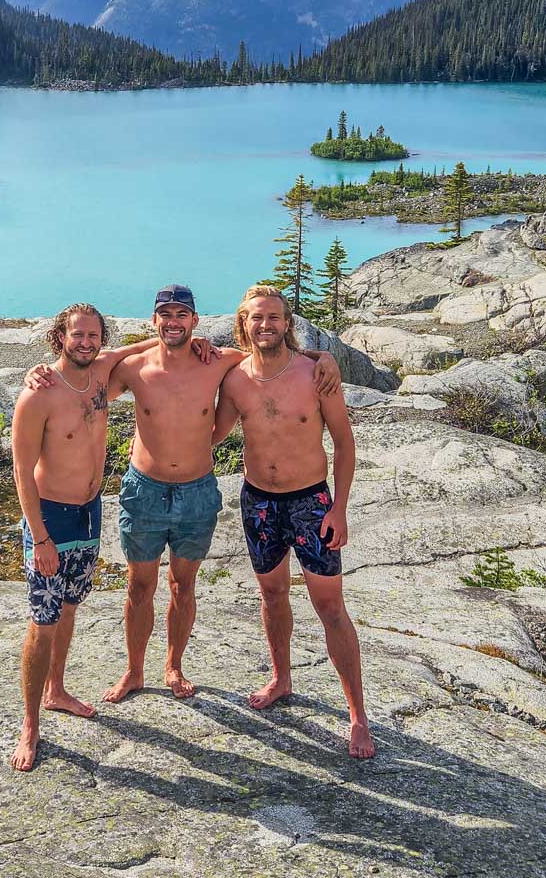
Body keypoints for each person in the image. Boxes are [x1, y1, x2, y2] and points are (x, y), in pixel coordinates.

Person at [26, 283, 340, 706]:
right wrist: (40, 370)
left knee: (183, 585)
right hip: (145, 490)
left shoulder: (221, 362)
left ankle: (173, 665)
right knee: (139, 585)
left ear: (194, 321)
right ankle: (135, 670)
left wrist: (325, 357)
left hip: (196, 491)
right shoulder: (132, 368)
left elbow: (274, 354)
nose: (173, 322)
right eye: (165, 315)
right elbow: (81, 370)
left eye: (181, 315)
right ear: (153, 321)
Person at [9, 301, 212, 772]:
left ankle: (57, 690)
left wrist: (192, 341)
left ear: (103, 339)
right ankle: (30, 724)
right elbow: (21, 472)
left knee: (70, 607)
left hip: (89, 513)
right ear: (59, 337)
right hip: (51, 519)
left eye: (93, 336)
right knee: (43, 619)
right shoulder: (37, 394)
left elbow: (150, 344)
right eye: (76, 335)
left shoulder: (101, 374)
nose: (85, 343)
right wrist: (39, 537)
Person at [213, 284, 375, 759]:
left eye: (274, 318)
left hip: (310, 502)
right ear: (243, 325)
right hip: (259, 503)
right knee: (272, 593)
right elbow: (214, 432)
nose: (265, 326)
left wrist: (339, 507)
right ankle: (281, 677)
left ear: (287, 324)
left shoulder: (315, 374)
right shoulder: (235, 379)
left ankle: (358, 716)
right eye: (255, 318)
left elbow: (344, 444)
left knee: (330, 608)